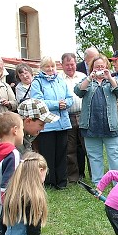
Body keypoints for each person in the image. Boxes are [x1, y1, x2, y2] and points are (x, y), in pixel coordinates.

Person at [74, 53, 118, 184]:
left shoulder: (112, 80)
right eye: (97, 67)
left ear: (107, 67)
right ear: (92, 68)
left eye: (102, 66)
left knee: (114, 156)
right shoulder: (87, 81)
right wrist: (89, 78)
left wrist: (110, 78)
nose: (99, 69)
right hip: (91, 126)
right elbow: (78, 91)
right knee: (94, 156)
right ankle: (98, 183)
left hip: (111, 125)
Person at [30, 56, 73, 189]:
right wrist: (56, 104)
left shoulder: (60, 80)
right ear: (42, 68)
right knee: (48, 154)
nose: (50, 69)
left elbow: (70, 97)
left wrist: (66, 103)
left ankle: (62, 181)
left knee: (62, 153)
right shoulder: (37, 82)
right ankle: (49, 181)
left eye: (52, 66)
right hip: (47, 124)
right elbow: (37, 101)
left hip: (62, 123)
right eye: (47, 67)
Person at [60, 53, 87, 183]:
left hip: (83, 115)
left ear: (76, 64)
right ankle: (73, 177)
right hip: (67, 115)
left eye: (72, 64)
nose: (70, 67)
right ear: (62, 65)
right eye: (67, 65)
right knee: (70, 148)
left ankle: (86, 174)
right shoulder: (59, 78)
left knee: (85, 146)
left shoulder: (83, 77)